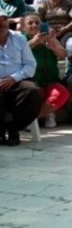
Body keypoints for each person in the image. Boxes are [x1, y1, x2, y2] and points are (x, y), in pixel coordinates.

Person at [19, 11, 70, 128]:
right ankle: (36, 118)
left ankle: (33, 118)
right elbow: (16, 55)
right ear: (23, 27)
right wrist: (33, 43)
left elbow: (63, 55)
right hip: (31, 82)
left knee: (61, 92)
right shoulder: (20, 40)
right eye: (30, 23)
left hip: (50, 81)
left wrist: (54, 46)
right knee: (33, 93)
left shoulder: (50, 37)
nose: (34, 25)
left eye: (37, 22)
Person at [0, 9, 42, 146]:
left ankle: (14, 128)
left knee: (33, 92)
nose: (2, 23)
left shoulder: (19, 38)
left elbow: (30, 65)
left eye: (4, 19)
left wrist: (13, 78)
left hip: (16, 81)